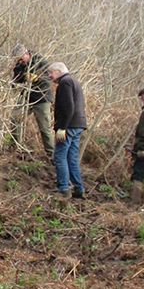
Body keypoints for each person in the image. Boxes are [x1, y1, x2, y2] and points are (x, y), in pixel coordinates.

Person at [47, 62, 87, 199]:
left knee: (60, 156)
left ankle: (63, 188)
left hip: (69, 126)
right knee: (71, 157)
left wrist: (62, 128)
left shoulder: (65, 83)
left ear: (58, 71)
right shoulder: (74, 81)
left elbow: (68, 107)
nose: (49, 76)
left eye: (50, 73)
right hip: (78, 125)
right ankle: (78, 188)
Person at [10, 44, 54, 157]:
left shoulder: (40, 61)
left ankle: (52, 154)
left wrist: (36, 78)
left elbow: (49, 78)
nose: (20, 61)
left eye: (21, 58)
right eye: (17, 59)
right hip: (26, 96)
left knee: (44, 127)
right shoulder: (19, 65)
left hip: (41, 97)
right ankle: (16, 147)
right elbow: (15, 81)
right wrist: (22, 76)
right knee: (15, 117)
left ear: (26, 54)